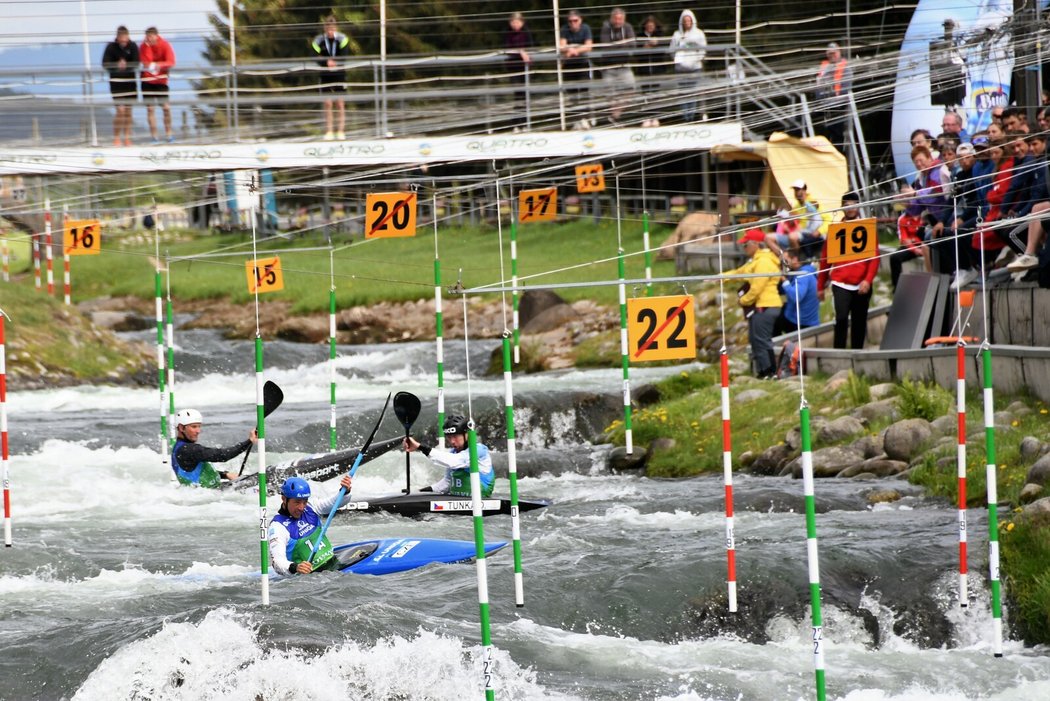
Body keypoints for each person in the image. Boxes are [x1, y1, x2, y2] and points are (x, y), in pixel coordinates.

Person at [818, 192, 879, 349]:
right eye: (847, 205)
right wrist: (820, 286)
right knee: (841, 318)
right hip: (840, 283)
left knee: (859, 321)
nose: (851, 208)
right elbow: (825, 259)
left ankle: (857, 355)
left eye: (854, 205)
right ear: (842, 208)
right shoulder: (835, 229)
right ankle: (839, 354)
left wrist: (868, 280)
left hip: (862, 284)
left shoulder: (868, 227)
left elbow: (874, 257)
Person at [268, 475, 353, 575]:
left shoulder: (311, 508)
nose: (301, 507)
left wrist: (345, 491)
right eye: (297, 502)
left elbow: (336, 502)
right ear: (284, 499)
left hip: (332, 564)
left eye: (304, 502)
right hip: (310, 578)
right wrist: (296, 567)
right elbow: (277, 563)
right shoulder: (277, 527)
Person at [726, 229, 782, 379]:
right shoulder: (755, 261)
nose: (744, 248)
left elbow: (757, 288)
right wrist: (719, 278)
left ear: (755, 244)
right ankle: (764, 370)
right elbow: (739, 273)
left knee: (761, 340)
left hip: (765, 306)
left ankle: (770, 371)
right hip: (761, 307)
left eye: (746, 244)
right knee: (756, 339)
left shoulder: (763, 262)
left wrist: (743, 301)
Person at [402, 414, 495, 497]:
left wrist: (420, 447)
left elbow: (455, 462)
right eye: (449, 437)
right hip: (457, 508)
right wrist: (419, 492)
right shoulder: (453, 452)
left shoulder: (479, 450)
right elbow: (446, 483)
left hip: (479, 505)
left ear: (466, 434)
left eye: (455, 436)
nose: (452, 441)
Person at [171, 409, 257, 488]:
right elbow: (223, 455)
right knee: (269, 473)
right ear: (181, 428)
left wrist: (225, 474)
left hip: (212, 492)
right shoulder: (188, 450)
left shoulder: (179, 448)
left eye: (199, 426)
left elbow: (197, 473)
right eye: (194, 427)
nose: (198, 431)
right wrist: (249, 441)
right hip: (215, 493)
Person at [765, 180, 828, 259]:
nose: (797, 192)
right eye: (795, 190)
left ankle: (797, 260)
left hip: (811, 234)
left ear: (804, 190)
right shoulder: (796, 206)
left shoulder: (813, 203)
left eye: (798, 189)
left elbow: (828, 219)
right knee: (768, 238)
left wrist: (819, 231)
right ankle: (785, 259)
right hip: (798, 234)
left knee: (792, 236)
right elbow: (795, 224)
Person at [311, 16, 351, 141]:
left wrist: (335, 62)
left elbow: (344, 56)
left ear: (336, 28)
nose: (330, 30)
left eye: (332, 27)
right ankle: (329, 131)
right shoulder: (319, 40)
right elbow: (314, 56)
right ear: (325, 28)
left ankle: (340, 131)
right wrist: (325, 63)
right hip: (325, 74)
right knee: (327, 103)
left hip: (339, 73)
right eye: (328, 27)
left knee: (340, 103)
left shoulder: (342, 39)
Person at [101, 26, 138, 147]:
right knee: (120, 111)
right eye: (121, 38)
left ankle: (127, 137)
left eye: (125, 38)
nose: (123, 40)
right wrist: (116, 65)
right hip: (116, 83)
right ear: (117, 37)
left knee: (128, 111)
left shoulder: (133, 46)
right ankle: (116, 137)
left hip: (130, 83)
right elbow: (105, 63)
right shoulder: (111, 47)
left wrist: (127, 65)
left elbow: (137, 62)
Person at [598, 8, 636, 126]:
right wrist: (623, 44)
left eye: (620, 19)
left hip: (624, 65)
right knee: (609, 92)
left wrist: (617, 45)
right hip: (609, 66)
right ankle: (614, 119)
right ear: (612, 18)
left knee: (631, 89)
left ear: (623, 19)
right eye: (616, 18)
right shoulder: (606, 28)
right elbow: (606, 47)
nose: (618, 21)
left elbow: (633, 44)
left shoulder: (628, 27)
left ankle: (615, 115)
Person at [139, 27, 176, 144]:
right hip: (147, 80)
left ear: (156, 36)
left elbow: (171, 62)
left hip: (161, 81)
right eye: (147, 37)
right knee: (150, 109)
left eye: (150, 36)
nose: (148, 39)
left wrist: (159, 65)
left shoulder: (165, 45)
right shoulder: (143, 46)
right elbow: (145, 62)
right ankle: (154, 137)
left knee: (166, 108)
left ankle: (169, 134)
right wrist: (148, 47)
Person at [668, 10, 705, 123]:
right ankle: (685, 117)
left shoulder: (699, 34)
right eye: (685, 21)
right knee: (683, 93)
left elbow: (703, 50)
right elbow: (671, 50)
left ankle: (692, 117)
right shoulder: (677, 34)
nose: (687, 22)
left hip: (695, 68)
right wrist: (678, 60)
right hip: (681, 69)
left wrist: (695, 60)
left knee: (693, 92)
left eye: (689, 20)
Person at [814, 42, 853, 151]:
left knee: (837, 132)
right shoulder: (824, 67)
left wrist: (836, 99)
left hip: (839, 105)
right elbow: (818, 85)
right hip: (824, 105)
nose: (831, 56)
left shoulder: (845, 67)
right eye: (829, 53)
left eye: (834, 53)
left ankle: (837, 153)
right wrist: (820, 101)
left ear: (839, 53)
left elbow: (846, 88)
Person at [774, 248, 819, 336]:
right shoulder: (805, 270)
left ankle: (775, 347)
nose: (784, 264)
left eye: (786, 261)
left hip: (802, 322)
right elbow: (784, 290)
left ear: (795, 259)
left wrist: (784, 280)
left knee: (773, 319)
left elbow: (796, 296)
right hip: (799, 317)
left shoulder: (803, 275)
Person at [559, 10, 593, 125]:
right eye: (570, 21)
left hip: (582, 63)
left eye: (575, 20)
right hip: (569, 65)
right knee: (572, 93)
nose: (573, 23)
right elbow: (561, 46)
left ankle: (585, 118)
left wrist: (575, 50)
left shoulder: (585, 28)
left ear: (580, 20)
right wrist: (569, 50)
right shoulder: (564, 29)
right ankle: (576, 120)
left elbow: (588, 46)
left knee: (584, 91)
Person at [503, 12, 533, 130]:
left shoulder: (526, 32)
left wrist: (525, 53)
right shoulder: (508, 33)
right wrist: (520, 51)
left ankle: (524, 122)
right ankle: (517, 123)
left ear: (522, 22)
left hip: (525, 67)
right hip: (514, 67)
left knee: (525, 94)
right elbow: (507, 48)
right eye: (513, 22)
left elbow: (530, 46)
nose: (515, 25)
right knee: (517, 94)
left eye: (517, 22)